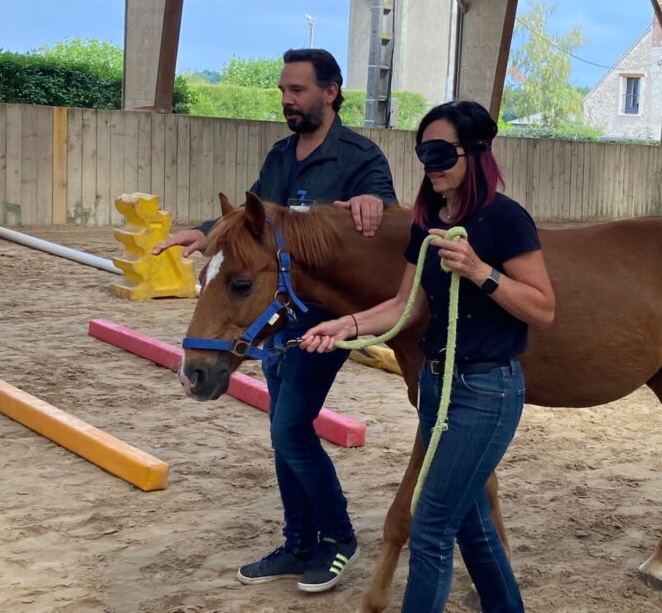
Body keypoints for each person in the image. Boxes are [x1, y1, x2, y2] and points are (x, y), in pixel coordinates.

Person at [154, 48, 397, 593]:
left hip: (323, 320)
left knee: (289, 428)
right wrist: (205, 230)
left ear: (330, 91)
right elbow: (256, 219)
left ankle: (337, 538)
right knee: (282, 431)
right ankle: (298, 544)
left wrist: (370, 205)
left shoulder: (360, 156)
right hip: (274, 316)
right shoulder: (282, 154)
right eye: (284, 91)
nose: (288, 100)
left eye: (299, 91)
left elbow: (381, 220)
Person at [300, 100, 555, 612]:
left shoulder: (506, 220)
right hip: (439, 384)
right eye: (424, 153)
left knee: (432, 524)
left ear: (476, 152)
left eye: (441, 152)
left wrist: (481, 271)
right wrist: (343, 326)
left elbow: (543, 307)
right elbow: (404, 303)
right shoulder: (429, 223)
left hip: (488, 391)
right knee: (472, 522)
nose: (431, 165)